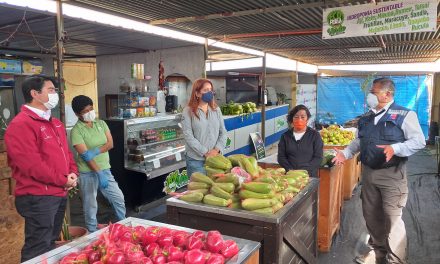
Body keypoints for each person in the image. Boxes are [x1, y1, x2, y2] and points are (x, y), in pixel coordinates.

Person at [332, 78, 425, 264]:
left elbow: (419, 141)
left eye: (373, 92)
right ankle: (379, 254)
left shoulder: (404, 115)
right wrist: (346, 153)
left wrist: (395, 148)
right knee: (371, 216)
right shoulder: (366, 117)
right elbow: (360, 141)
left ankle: (396, 259)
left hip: (392, 175)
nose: (370, 96)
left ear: (387, 94)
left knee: (392, 219)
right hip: (368, 174)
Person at [5, 75, 78, 262]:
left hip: (57, 192)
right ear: (35, 94)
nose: (56, 94)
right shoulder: (21, 124)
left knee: (49, 243)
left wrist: (72, 174)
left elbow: (66, 153)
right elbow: (32, 165)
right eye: (51, 90)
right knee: (37, 247)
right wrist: (62, 180)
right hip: (37, 197)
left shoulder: (55, 123)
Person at [70, 95, 126, 233]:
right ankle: (91, 230)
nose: (90, 113)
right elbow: (86, 157)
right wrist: (98, 172)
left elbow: (110, 143)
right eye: (85, 111)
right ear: (77, 114)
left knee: (118, 198)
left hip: (105, 170)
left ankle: (123, 225)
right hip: (87, 173)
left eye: (91, 109)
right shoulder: (76, 131)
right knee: (90, 205)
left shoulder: (101, 123)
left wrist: (95, 151)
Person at [181, 78, 226, 177]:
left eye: (210, 90)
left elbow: (223, 131)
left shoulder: (216, 109)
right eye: (205, 90)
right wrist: (205, 152)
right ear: (197, 93)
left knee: (215, 189)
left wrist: (217, 149)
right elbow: (188, 136)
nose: (209, 92)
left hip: (216, 159)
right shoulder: (188, 111)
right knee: (199, 190)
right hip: (196, 161)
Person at [278, 104, 323, 177]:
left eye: (303, 117)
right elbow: (281, 157)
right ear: (292, 119)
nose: (299, 120)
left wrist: (304, 171)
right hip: (290, 177)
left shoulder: (315, 135)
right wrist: (290, 170)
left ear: (307, 119)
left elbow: (318, 158)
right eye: (296, 117)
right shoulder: (285, 136)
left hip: (309, 176)